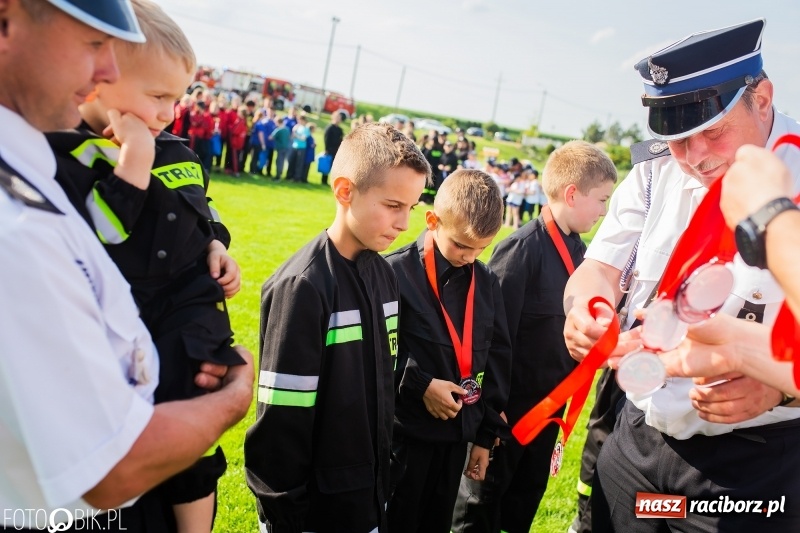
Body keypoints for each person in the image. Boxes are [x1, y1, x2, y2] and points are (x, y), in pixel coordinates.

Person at [0, 0, 253, 530]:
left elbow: (197, 214)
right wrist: (232, 400)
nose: (107, 69)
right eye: (95, 44)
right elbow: (109, 469)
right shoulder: (26, 206)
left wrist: (212, 244)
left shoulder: (33, 165)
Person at [563, 19, 800, 532]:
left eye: (712, 132)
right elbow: (598, 270)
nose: (694, 158)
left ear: (762, 100)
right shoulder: (654, 173)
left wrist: (785, 389)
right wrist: (586, 309)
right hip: (639, 443)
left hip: (751, 467)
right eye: (675, 139)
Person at [244, 123, 431, 533]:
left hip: (366, 497)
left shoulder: (385, 276)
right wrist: (285, 514)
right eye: (392, 205)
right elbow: (281, 420)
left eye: (412, 208)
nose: (404, 224)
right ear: (345, 191)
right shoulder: (304, 286)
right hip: (313, 512)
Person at [451, 141, 616, 533]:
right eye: (602, 200)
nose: (604, 212)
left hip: (546, 418)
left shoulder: (585, 256)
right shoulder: (520, 250)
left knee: (520, 512)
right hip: (507, 419)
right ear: (572, 194)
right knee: (480, 512)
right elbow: (488, 337)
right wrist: (490, 417)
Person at [384, 169, 512, 533]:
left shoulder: (486, 282)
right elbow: (376, 354)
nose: (469, 257)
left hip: (457, 441)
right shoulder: (393, 273)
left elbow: (498, 359)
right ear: (432, 220)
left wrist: (485, 437)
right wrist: (420, 385)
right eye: (460, 245)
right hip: (403, 441)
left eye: (481, 249)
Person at [322, 110, 344, 185]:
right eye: (337, 117)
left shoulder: (340, 130)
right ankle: (324, 181)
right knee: (327, 164)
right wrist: (326, 149)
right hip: (330, 149)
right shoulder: (330, 128)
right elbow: (326, 139)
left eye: (340, 118)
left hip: (337, 150)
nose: (339, 119)